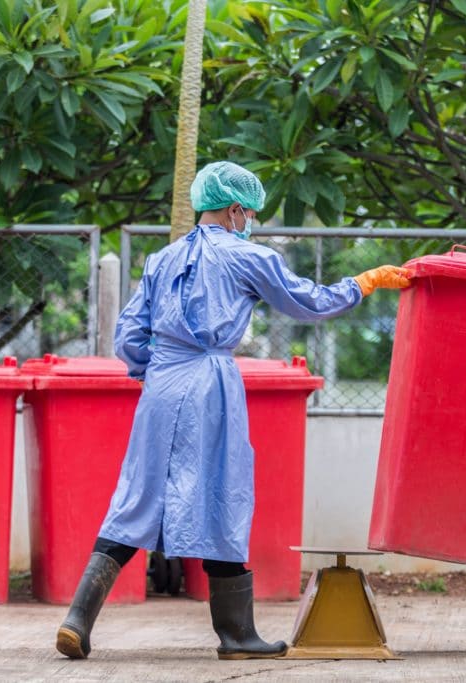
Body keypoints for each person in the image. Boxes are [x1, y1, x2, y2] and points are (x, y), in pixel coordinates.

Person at [55, 161, 411, 661]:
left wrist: (153, 373)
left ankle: (77, 619)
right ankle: (236, 636)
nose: (251, 219)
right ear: (235, 208)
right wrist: (365, 282)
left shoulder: (162, 258)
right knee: (223, 494)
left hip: (162, 383)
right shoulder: (248, 258)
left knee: (137, 495)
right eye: (249, 211)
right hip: (209, 382)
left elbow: (128, 336)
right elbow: (309, 302)